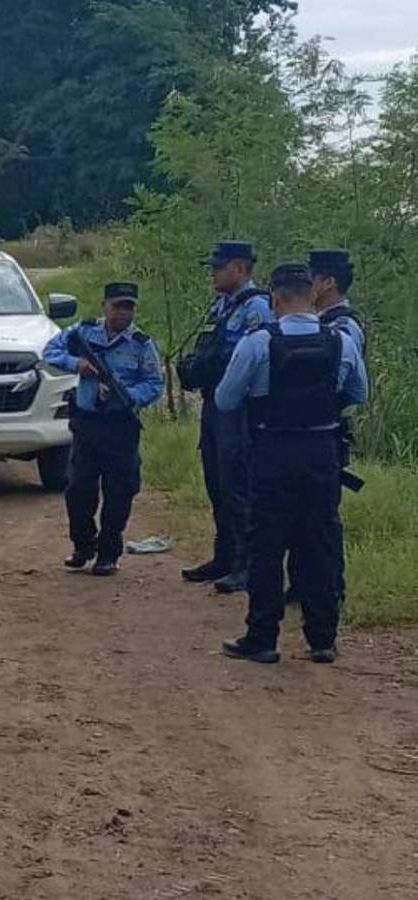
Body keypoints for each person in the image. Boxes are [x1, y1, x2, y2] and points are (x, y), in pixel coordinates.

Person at [214, 263, 368, 664]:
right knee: (319, 542)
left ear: (274, 298)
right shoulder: (340, 341)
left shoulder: (257, 342)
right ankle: (322, 640)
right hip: (322, 453)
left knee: (266, 544)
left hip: (272, 452)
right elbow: (360, 392)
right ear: (311, 296)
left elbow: (225, 400)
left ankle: (262, 638)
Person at [44, 282, 165, 577]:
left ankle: (109, 552)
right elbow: (50, 351)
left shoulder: (141, 343)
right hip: (87, 423)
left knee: (119, 491)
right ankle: (83, 545)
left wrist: (129, 396)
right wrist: (77, 364)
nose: (123, 313)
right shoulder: (83, 332)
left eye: (129, 307)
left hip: (120, 425)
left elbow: (154, 383)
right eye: (118, 306)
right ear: (104, 305)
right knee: (78, 488)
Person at [179, 241, 274, 594]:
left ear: (238, 268)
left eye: (218, 268)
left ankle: (246, 564)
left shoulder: (257, 308)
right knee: (217, 483)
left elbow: (252, 361)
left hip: (241, 409)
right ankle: (224, 556)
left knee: (239, 487)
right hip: (215, 404)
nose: (213, 274)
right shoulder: (222, 304)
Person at [285, 249, 368, 609]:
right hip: (304, 434)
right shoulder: (321, 324)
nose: (308, 286)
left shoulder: (343, 327)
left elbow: (352, 390)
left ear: (328, 282)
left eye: (313, 278)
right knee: (298, 519)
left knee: (322, 524)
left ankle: (331, 591)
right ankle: (302, 586)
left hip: (324, 431)